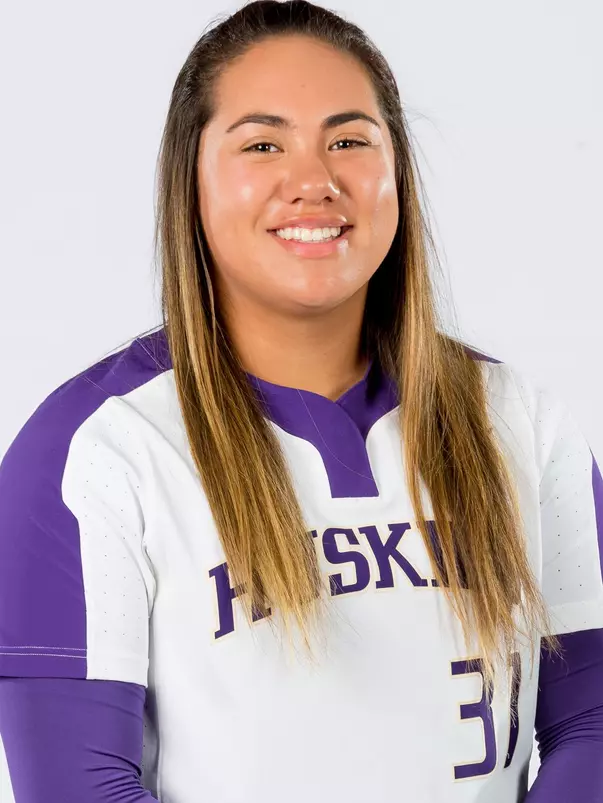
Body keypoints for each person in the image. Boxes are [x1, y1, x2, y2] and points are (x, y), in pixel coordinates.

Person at [1, 0, 602, 800]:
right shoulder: (95, 449)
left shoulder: (516, 420)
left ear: (397, 173)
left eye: (349, 140)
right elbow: (79, 782)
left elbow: (591, 721)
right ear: (192, 179)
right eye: (262, 144)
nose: (313, 181)